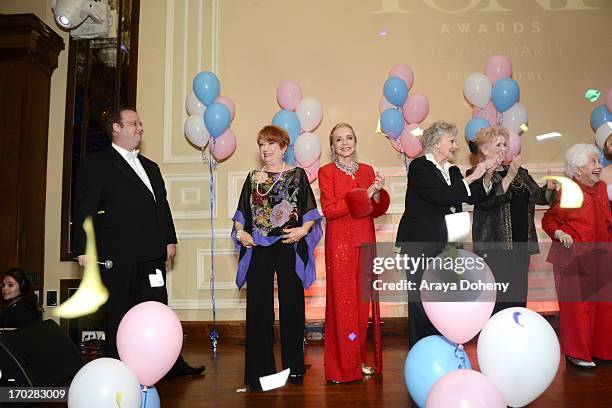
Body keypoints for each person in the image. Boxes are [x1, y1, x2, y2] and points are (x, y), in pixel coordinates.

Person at [73, 107, 204, 376]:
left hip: (151, 254)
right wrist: (82, 248)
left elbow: (161, 207)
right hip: (117, 256)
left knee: (157, 310)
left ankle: (169, 363)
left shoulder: (151, 167)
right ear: (116, 129)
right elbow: (84, 209)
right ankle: (117, 368)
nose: (140, 128)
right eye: (133, 123)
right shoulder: (97, 164)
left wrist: (169, 239)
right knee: (119, 315)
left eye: (141, 123)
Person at [232, 125, 322, 390]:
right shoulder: (253, 177)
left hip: (288, 244)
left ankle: (294, 367)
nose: (266, 149)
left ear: (284, 147)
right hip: (258, 247)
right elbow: (241, 216)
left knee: (292, 305)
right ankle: (260, 372)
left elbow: (310, 212)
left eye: (271, 144)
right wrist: (241, 235)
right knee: (258, 308)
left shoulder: (297, 175)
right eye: (262, 144)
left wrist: (301, 231)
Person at [395, 121, 496, 348]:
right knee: (421, 298)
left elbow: (472, 197)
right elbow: (442, 196)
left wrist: (486, 177)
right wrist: (472, 176)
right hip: (421, 243)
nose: (455, 145)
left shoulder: (451, 169)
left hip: (449, 243)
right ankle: (421, 348)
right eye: (451, 140)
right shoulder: (420, 166)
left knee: (445, 297)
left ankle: (443, 346)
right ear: (436, 143)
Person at [318, 123, 390, 383]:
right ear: (332, 146)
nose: (345, 143)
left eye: (349, 137)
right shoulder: (326, 172)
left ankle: (357, 360)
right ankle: (341, 369)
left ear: (356, 141)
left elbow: (375, 209)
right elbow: (331, 210)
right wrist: (365, 193)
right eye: (339, 140)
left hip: (365, 241)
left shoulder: (368, 170)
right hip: (340, 245)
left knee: (361, 308)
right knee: (343, 306)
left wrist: (378, 193)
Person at [470, 126, 556, 314]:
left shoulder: (520, 171)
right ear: (484, 149)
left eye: (505, 144)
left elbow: (539, 197)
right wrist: (509, 176)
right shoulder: (477, 173)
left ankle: (516, 331)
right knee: (499, 294)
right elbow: (488, 200)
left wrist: (548, 188)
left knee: (518, 292)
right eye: (498, 144)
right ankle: (495, 335)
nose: (504, 148)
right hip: (495, 246)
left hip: (521, 244)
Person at [542, 143, 612, 368]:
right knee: (577, 309)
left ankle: (601, 351)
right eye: (593, 162)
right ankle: (577, 354)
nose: (598, 166)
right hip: (572, 257)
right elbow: (549, 220)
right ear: (578, 169)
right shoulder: (569, 191)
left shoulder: (601, 188)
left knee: (603, 306)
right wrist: (558, 232)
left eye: (598, 161)